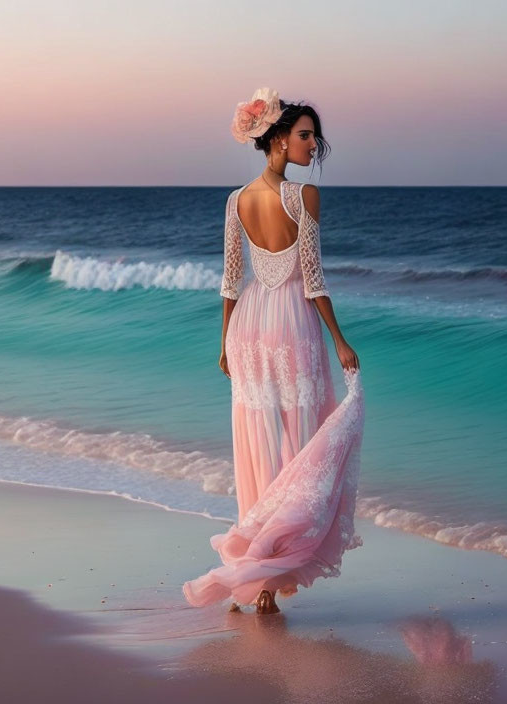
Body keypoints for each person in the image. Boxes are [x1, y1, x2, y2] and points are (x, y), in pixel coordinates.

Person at [182, 87, 364, 615]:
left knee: (259, 445)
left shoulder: (236, 199)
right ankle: (265, 576)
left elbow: (230, 280)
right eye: (306, 136)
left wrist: (223, 343)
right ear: (279, 139)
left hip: (248, 327)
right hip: (290, 325)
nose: (314, 145)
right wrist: (340, 339)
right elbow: (313, 279)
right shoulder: (303, 197)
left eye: (314, 136)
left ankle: (253, 571)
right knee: (297, 449)